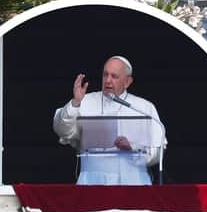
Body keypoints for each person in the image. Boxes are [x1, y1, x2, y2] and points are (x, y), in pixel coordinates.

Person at [53, 56, 167, 185]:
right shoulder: (85, 101)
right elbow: (62, 131)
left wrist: (132, 149)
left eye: (114, 76)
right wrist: (75, 103)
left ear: (127, 81)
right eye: (105, 75)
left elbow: (158, 152)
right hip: (93, 183)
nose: (108, 80)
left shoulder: (144, 107)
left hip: (134, 182)